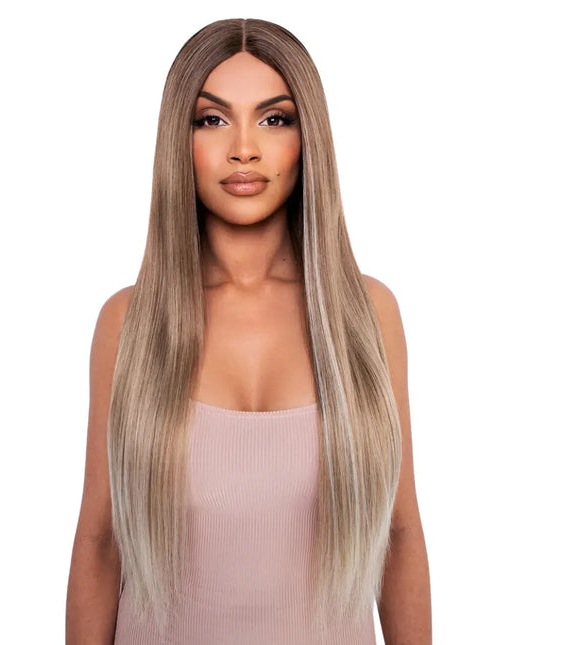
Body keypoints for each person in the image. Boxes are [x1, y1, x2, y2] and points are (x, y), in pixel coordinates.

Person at [66, 18, 431, 645]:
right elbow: (100, 544)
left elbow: (398, 536)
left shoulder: (367, 316)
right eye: (212, 120)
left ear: (307, 138)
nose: (243, 149)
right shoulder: (129, 324)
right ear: (179, 141)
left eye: (273, 119)